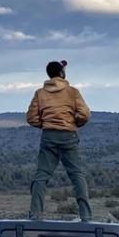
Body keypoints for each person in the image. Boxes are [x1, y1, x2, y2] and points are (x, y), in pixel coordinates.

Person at [26, 60, 92, 222]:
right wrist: (74, 123)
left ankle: (35, 215)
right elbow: (84, 114)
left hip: (48, 136)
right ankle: (86, 216)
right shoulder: (73, 92)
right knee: (77, 174)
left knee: (42, 175)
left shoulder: (40, 93)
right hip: (69, 135)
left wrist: (45, 124)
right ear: (62, 73)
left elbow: (31, 118)